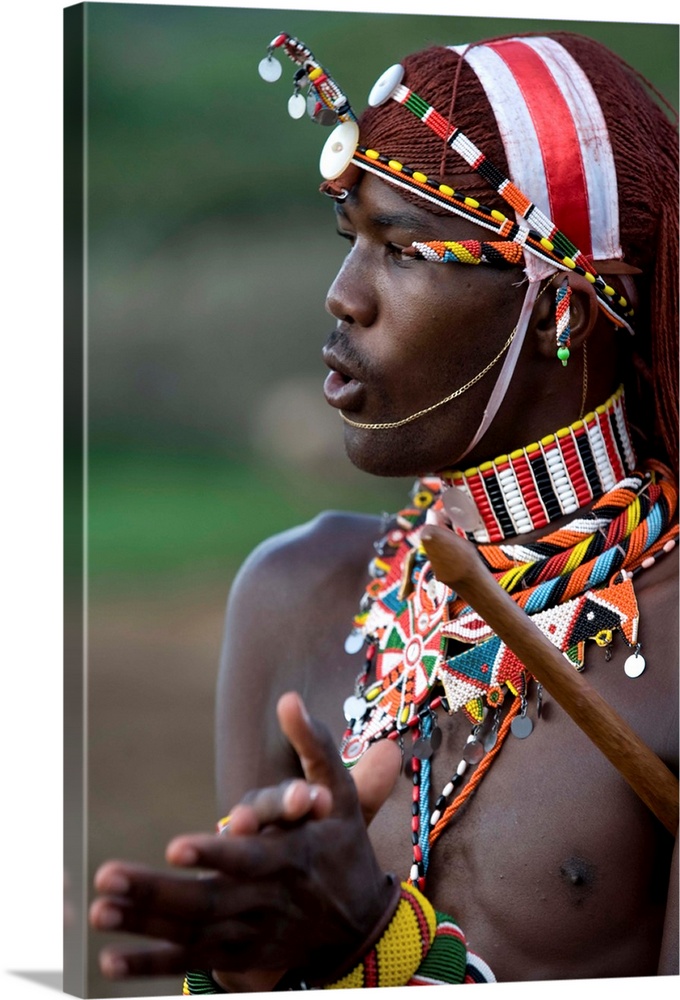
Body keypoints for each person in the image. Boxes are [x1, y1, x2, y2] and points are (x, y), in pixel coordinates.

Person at [89, 28, 679, 990]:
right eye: (350, 240)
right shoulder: (295, 592)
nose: (343, 297)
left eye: (403, 250)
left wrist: (376, 949)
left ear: (564, 309)